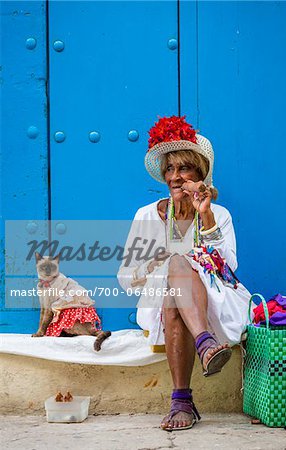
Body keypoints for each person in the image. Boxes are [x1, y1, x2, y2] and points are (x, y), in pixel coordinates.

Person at [117, 115, 251, 431]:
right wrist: (157, 264)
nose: (175, 177)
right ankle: (205, 346)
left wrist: (204, 218)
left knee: (178, 275)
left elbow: (228, 269)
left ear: (200, 175)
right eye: (170, 169)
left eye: (184, 169)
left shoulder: (218, 214)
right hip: (164, 300)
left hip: (215, 302)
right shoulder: (147, 215)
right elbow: (127, 278)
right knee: (174, 273)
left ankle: (182, 401)